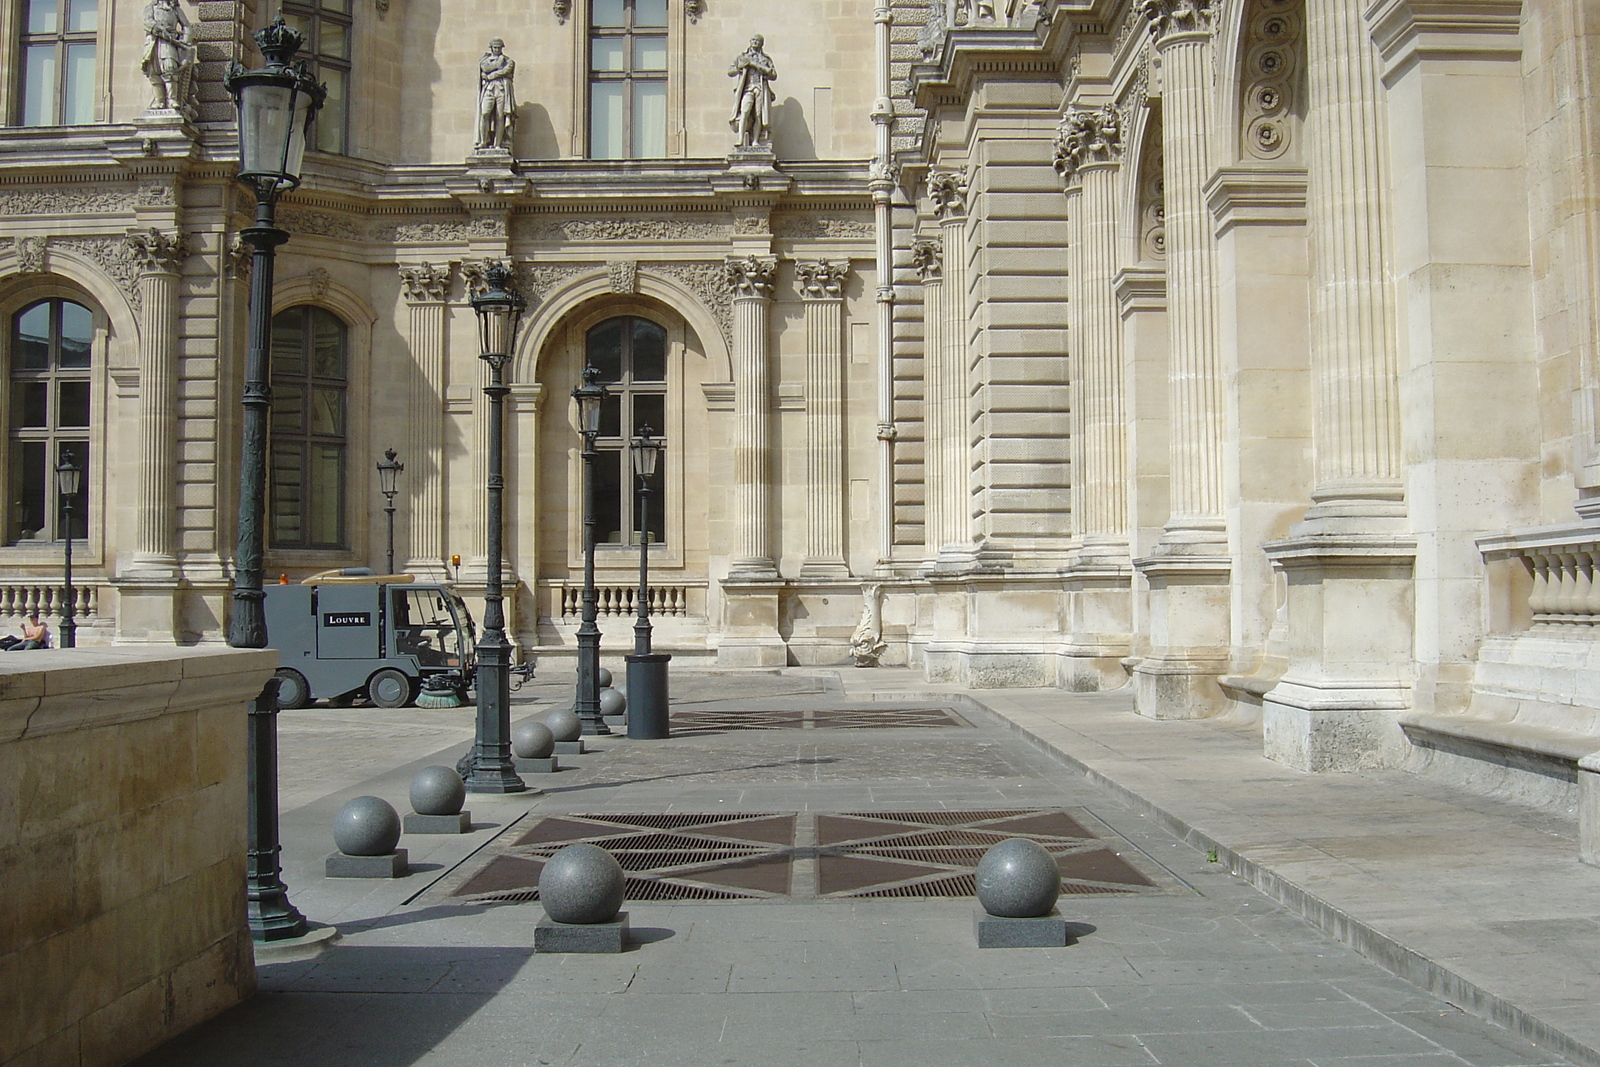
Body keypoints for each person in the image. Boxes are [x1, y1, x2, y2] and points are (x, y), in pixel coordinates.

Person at [141, 0, 194, 112]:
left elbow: (187, 27)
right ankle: (159, 101)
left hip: (170, 43)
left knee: (170, 68)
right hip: (154, 42)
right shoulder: (151, 8)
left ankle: (172, 100)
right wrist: (159, 29)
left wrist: (184, 43)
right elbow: (147, 21)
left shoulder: (175, 10)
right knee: (154, 71)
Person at [728, 34, 777, 148]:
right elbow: (730, 71)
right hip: (747, 88)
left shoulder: (765, 59)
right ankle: (740, 138)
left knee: (758, 114)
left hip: (760, 88)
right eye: (753, 40)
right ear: (750, 42)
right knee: (745, 111)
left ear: (761, 43)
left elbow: (773, 75)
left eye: (758, 40)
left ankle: (755, 140)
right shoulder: (742, 57)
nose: (755, 42)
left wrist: (756, 65)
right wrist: (739, 67)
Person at [476, 38, 517, 151]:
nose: (497, 50)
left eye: (499, 48)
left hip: (501, 89)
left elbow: (506, 70)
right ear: (491, 48)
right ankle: (483, 141)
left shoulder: (508, 61)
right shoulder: (485, 60)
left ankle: (497, 144)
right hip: (489, 90)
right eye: (495, 47)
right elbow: (484, 67)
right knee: (485, 114)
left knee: (500, 116)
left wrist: (490, 75)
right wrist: (498, 64)